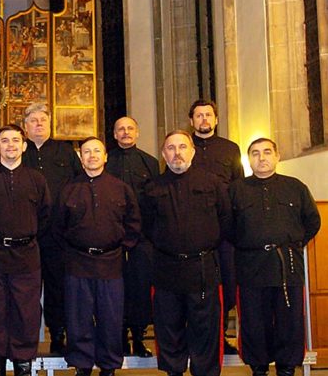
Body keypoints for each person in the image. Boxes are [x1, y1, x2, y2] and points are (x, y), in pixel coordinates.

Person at [141, 130, 232, 376]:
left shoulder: (212, 183)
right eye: (171, 148)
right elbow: (147, 226)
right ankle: (174, 371)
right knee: (169, 327)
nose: (177, 153)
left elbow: (225, 220)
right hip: (166, 268)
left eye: (182, 147)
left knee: (206, 328)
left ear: (192, 151)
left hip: (202, 267)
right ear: (163, 154)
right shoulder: (152, 188)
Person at [229, 138, 321, 376]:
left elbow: (312, 221)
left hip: (287, 266)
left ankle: (286, 369)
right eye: (255, 153)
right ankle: (258, 369)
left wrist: (292, 244)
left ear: (277, 156)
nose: (262, 158)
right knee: (254, 322)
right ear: (249, 159)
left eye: (267, 152)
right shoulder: (236, 190)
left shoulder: (295, 187)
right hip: (251, 266)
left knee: (289, 321)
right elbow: (227, 226)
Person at [53, 137, 141, 376]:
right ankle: (82, 364)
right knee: (78, 318)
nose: (92, 156)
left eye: (97, 151)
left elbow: (133, 223)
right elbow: (58, 227)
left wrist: (120, 248)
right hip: (77, 263)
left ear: (105, 157)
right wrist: (72, 251)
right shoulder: (68, 189)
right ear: (80, 158)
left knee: (110, 319)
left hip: (111, 264)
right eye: (87, 152)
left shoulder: (121, 188)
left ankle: (109, 365)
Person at [0, 124, 51, 376]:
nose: (10, 145)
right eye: (5, 141)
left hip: (26, 255)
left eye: (15, 140)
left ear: (24, 146)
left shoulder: (36, 179)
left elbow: (45, 216)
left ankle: (23, 360)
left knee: (26, 311)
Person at [21, 102, 82, 354]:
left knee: (58, 287)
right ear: (25, 127)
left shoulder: (65, 151)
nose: (38, 124)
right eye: (33, 121)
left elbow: (79, 186)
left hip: (58, 233)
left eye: (43, 120)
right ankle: (25, 339)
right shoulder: (19, 151)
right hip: (27, 234)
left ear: (50, 124)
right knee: (26, 289)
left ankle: (58, 335)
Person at [188, 99, 244, 354]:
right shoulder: (183, 147)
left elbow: (239, 185)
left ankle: (220, 336)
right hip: (193, 228)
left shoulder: (230, 149)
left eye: (208, 115)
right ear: (192, 121)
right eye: (199, 115)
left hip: (224, 227)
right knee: (195, 285)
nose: (204, 119)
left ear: (216, 119)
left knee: (226, 282)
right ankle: (195, 337)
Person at [104, 116, 159, 357]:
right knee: (114, 290)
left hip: (142, 239)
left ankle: (138, 337)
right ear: (114, 134)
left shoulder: (150, 163)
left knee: (140, 289)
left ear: (137, 133)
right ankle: (118, 337)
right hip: (112, 239)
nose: (125, 132)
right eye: (121, 129)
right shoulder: (106, 161)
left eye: (130, 128)